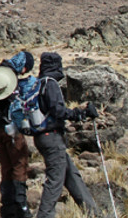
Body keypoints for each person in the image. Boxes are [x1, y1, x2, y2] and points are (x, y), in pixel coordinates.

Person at [31, 52, 100, 218]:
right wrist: (79, 113)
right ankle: (45, 215)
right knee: (55, 180)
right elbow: (58, 111)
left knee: (71, 175)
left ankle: (93, 213)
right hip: (52, 137)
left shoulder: (38, 84)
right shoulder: (51, 83)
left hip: (43, 137)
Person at [0, 51, 35, 218]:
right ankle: (21, 206)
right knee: (19, 163)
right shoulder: (9, 78)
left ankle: (7, 206)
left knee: (5, 165)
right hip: (9, 128)